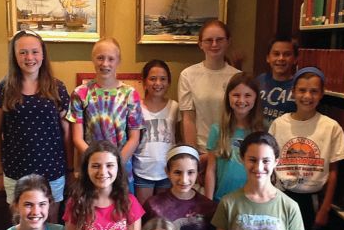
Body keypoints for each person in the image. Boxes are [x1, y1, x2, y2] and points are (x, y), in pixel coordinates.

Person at [269, 67, 344, 230]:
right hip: (281, 197)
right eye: (302, 90)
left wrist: (324, 209)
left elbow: (333, 172)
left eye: (314, 91)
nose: (307, 96)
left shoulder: (330, 127)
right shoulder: (279, 124)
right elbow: (271, 164)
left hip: (310, 201)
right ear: (293, 92)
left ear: (322, 93)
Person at [0, 30, 74, 223]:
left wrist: (70, 170)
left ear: (43, 54)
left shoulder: (57, 88)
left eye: (34, 52)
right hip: (15, 173)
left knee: (50, 227)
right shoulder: (3, 89)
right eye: (23, 52)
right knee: (22, 229)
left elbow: (66, 133)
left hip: (52, 172)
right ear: (14, 56)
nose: (29, 58)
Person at [209, 131, 304, 230]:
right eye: (252, 160)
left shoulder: (290, 207)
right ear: (242, 159)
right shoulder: (228, 203)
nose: (259, 167)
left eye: (266, 161)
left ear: (276, 162)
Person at [67, 37, 144, 193]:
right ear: (93, 59)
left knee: (122, 213)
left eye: (111, 59)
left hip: (122, 167)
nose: (105, 63)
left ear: (118, 61)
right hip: (91, 168)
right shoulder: (81, 93)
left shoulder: (130, 94)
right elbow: (77, 138)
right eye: (100, 58)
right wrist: (98, 164)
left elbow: (134, 137)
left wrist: (114, 164)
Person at [143, 145, 217, 230]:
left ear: (198, 172)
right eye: (177, 172)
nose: (184, 180)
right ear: (167, 172)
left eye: (190, 172)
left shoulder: (209, 207)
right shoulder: (153, 205)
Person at [178, 19, 241, 180]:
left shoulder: (236, 76)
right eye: (209, 40)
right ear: (200, 44)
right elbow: (188, 118)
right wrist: (193, 157)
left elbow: (239, 118)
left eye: (219, 39)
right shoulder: (188, 75)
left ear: (228, 42)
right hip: (201, 150)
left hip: (229, 150)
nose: (214, 44)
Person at [205, 72, 264, 202]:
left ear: (256, 98)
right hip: (222, 200)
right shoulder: (217, 130)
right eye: (236, 95)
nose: (241, 100)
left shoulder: (263, 130)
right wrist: (207, 203)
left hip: (252, 201)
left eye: (247, 95)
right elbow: (211, 169)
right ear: (228, 97)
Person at [132, 59, 180, 204]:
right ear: (144, 82)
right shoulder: (136, 107)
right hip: (142, 170)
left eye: (163, 79)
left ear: (169, 82)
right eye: (153, 79)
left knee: (163, 216)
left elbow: (178, 137)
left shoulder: (174, 107)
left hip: (167, 171)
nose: (158, 83)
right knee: (144, 214)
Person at [256, 36, 299, 126]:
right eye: (276, 54)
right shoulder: (259, 80)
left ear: (295, 59)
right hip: (260, 136)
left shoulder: (299, 85)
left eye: (287, 54)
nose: (281, 58)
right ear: (268, 58)